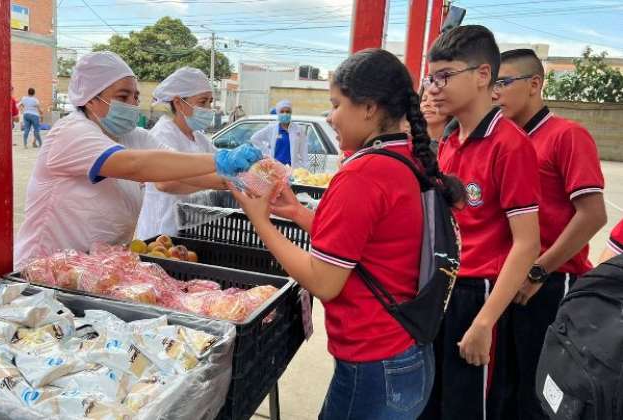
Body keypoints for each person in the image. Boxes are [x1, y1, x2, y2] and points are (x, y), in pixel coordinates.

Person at [232, 48, 465, 420]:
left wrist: (261, 222)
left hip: (374, 363)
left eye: (336, 104)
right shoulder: (407, 156)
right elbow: (372, 245)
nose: (331, 116)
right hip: (408, 353)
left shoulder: (363, 174)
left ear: (369, 108)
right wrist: (296, 212)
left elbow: (324, 282)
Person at [14, 52, 262, 269]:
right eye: (123, 97)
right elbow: (137, 165)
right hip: (45, 267)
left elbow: (178, 170)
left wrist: (242, 181)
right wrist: (220, 159)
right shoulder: (71, 132)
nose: (133, 104)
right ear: (90, 98)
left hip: (96, 269)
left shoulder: (134, 136)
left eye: (135, 97)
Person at [419, 26, 541, 420]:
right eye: (431, 77)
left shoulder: (510, 144)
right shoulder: (451, 140)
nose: (434, 88)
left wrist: (485, 321)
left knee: (466, 408)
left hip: (478, 294)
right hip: (443, 286)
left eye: (445, 76)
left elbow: (527, 243)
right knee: (431, 403)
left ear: (483, 75)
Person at [493, 48, 607, 419]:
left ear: (535, 84)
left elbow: (592, 215)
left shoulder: (566, 136)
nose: (494, 92)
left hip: (549, 280)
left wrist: (539, 270)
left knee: (540, 389)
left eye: (503, 82)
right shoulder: (505, 140)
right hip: (510, 277)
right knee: (505, 385)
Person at [135, 67, 228, 240]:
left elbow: (221, 165)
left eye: (210, 101)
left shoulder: (199, 138)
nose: (208, 108)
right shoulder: (163, 134)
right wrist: (222, 182)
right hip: (160, 232)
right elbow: (165, 183)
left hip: (187, 229)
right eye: (202, 102)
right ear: (178, 103)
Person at [250, 100, 308, 168]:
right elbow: (254, 138)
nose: (285, 114)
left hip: (292, 169)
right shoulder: (272, 128)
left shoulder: (298, 129)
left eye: (287, 112)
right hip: (275, 169)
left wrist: (305, 168)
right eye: (282, 112)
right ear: (278, 113)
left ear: (291, 113)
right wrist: (267, 153)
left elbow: (303, 151)